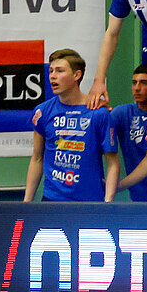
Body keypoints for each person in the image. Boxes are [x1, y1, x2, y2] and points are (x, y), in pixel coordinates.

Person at [24, 50, 120, 202]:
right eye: (51, 71)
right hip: (52, 200)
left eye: (60, 71)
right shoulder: (42, 111)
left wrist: (107, 204)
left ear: (77, 75)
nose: (52, 76)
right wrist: (26, 203)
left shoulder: (99, 113)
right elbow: (37, 158)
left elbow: (113, 163)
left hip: (90, 201)